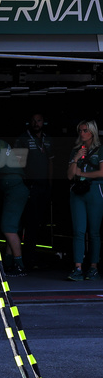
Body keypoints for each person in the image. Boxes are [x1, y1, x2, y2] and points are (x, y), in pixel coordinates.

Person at [66, 119, 103, 281]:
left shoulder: (100, 150)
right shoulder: (76, 150)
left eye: (85, 130)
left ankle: (93, 267)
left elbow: (102, 173)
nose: (82, 133)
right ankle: (78, 268)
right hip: (78, 192)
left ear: (92, 132)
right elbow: (69, 176)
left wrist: (82, 174)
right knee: (78, 231)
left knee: (94, 232)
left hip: (95, 190)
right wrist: (76, 158)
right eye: (80, 130)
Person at [0, 136, 30, 276]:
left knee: (8, 228)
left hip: (15, 191)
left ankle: (19, 265)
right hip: (15, 190)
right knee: (11, 228)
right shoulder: (1, 144)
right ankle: (9, 264)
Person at [20, 112, 53, 268]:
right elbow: (17, 162)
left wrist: (50, 184)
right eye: (33, 121)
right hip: (28, 186)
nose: (36, 123)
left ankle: (32, 257)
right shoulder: (23, 139)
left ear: (43, 122)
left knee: (38, 223)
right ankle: (25, 258)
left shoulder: (48, 139)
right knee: (27, 223)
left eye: (39, 120)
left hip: (43, 187)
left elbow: (51, 163)